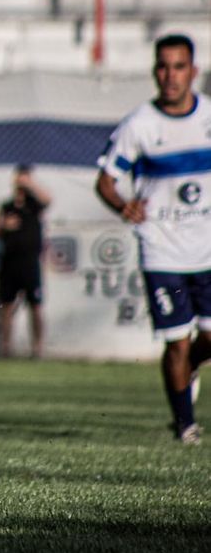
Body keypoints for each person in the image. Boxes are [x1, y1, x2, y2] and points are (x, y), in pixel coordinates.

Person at [95, 34, 211, 445]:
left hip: (208, 249)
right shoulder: (139, 125)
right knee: (177, 341)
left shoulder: (208, 119)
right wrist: (123, 205)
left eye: (179, 66)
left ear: (193, 71)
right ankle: (185, 425)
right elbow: (106, 182)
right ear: (154, 72)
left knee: (206, 340)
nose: (170, 75)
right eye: (163, 66)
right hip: (162, 250)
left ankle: (192, 368)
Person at [0, 164, 51, 358]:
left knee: (35, 305)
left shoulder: (34, 205)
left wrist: (31, 184)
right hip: (9, 262)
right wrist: (3, 226)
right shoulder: (6, 206)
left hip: (30, 262)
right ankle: (5, 348)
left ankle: (37, 348)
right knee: (6, 306)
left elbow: (48, 200)